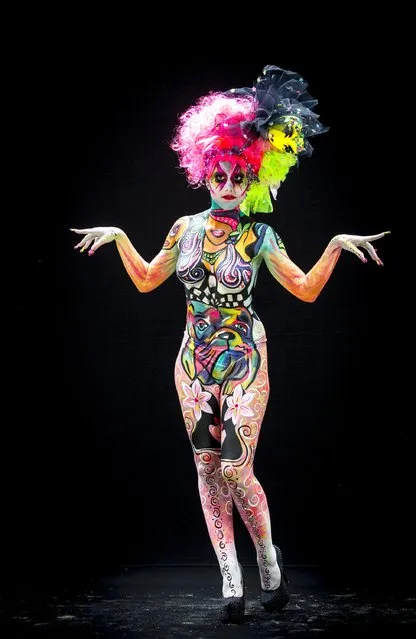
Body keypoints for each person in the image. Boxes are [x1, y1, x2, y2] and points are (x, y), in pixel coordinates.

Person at [71, 65, 389, 623]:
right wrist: (121, 237)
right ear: (205, 171)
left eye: (238, 176)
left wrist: (336, 245)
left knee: (236, 468)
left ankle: (267, 557)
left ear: (252, 177)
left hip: (245, 360)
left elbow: (306, 290)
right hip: (194, 366)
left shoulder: (261, 235)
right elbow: (148, 279)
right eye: (218, 173)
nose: (227, 183)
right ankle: (231, 581)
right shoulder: (183, 229)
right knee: (206, 467)